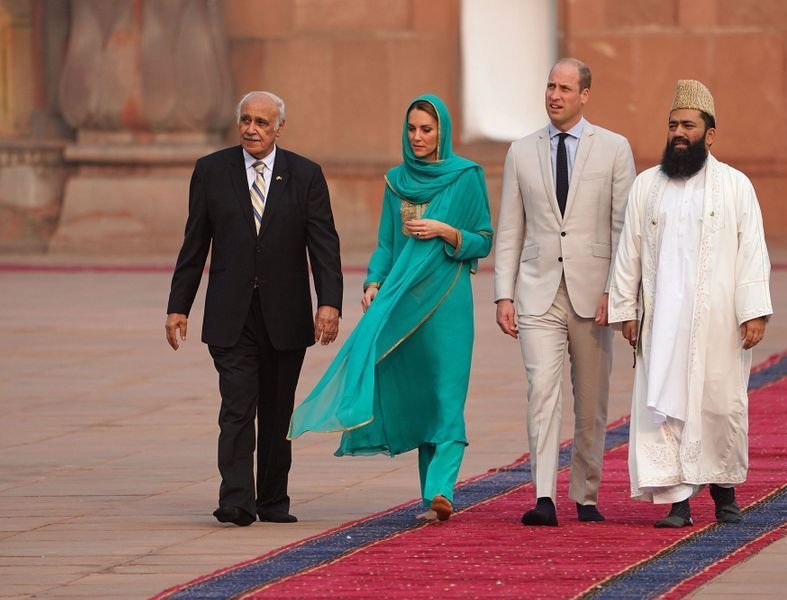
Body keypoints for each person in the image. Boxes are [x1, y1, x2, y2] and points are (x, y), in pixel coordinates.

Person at [287, 94, 493, 522]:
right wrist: (372, 281)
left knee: (447, 395)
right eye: (412, 129)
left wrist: (445, 231)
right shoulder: (396, 182)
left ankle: (443, 488)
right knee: (421, 396)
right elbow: (385, 244)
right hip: (403, 302)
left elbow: (484, 240)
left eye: (427, 130)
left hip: (448, 301)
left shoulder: (465, 177)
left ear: (442, 133)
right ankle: (431, 499)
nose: (418, 137)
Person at [165, 91, 343, 527]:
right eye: (246, 120)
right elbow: (195, 244)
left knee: (278, 411)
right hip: (231, 314)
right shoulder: (211, 171)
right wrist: (178, 306)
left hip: (285, 316)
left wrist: (330, 303)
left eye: (262, 122)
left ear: (279, 127)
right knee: (237, 408)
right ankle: (237, 501)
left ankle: (273, 501)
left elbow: (324, 245)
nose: (252, 129)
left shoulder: (305, 175)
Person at [607, 80, 773, 528]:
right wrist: (626, 310)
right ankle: (678, 502)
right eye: (673, 125)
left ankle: (724, 492)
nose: (679, 132)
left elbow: (752, 250)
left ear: (710, 133)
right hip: (662, 324)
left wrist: (753, 310)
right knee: (667, 405)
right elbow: (630, 251)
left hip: (717, 322)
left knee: (718, 406)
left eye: (688, 125)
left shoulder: (736, 186)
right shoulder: (647, 186)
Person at [494, 58, 636, 527]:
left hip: (594, 297)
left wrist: (618, 294)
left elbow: (623, 230)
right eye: (549, 86)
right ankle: (543, 497)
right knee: (542, 392)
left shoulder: (614, 149)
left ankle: (586, 495)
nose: (554, 95)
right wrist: (503, 294)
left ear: (585, 94)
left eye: (564, 88)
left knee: (591, 400)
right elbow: (511, 229)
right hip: (537, 293)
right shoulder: (520, 151)